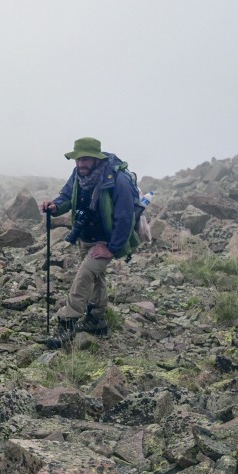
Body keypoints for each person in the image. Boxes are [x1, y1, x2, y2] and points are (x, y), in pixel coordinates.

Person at [40, 137, 139, 348]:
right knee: (96, 276)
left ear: (96, 159)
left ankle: (67, 322)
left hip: (105, 239)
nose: (81, 163)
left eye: (85, 159)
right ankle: (97, 320)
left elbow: (125, 218)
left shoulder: (116, 180)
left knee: (84, 275)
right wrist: (55, 207)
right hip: (85, 236)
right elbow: (67, 196)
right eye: (78, 159)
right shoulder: (79, 174)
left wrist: (112, 248)